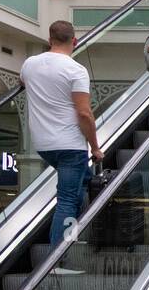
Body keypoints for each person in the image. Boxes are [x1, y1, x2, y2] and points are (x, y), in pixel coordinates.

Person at [20, 20, 103, 247]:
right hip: (70, 145)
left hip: (43, 145)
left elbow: (23, 81)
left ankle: (76, 230)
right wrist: (95, 147)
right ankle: (58, 256)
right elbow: (84, 114)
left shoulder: (29, 64)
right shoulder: (76, 70)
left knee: (82, 181)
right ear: (74, 41)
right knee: (67, 198)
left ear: (49, 40)